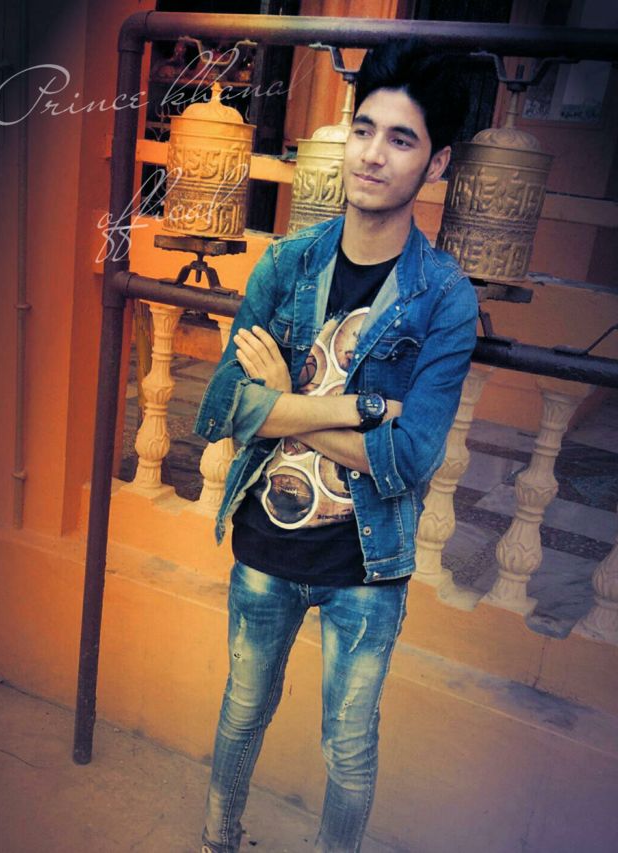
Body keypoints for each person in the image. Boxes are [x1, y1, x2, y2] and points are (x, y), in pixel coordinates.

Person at [195, 38, 477, 853]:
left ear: (436, 162)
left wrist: (284, 399)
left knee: (348, 749)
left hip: (366, 563)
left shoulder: (444, 299)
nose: (372, 154)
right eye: (363, 129)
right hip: (266, 541)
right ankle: (217, 839)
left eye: (401, 139)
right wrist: (359, 409)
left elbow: (409, 458)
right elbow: (223, 408)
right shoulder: (286, 265)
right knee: (242, 709)